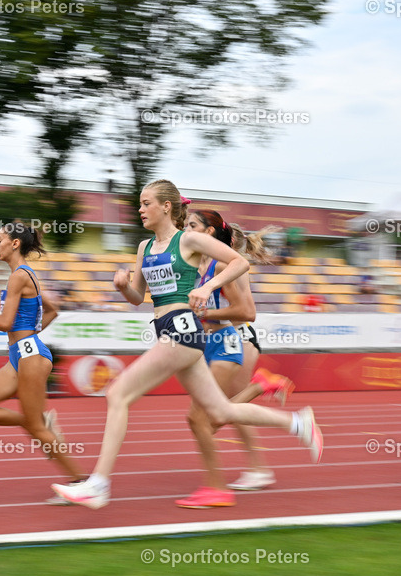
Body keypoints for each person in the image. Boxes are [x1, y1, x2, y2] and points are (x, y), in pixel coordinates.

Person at [51, 180, 322, 509]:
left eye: (146, 203)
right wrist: (123, 287)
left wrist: (209, 289)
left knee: (117, 394)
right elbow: (139, 298)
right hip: (166, 327)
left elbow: (240, 263)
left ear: (166, 207)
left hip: (183, 330)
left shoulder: (189, 240)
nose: (140, 209)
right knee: (220, 410)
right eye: (139, 204)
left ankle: (98, 484)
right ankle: (298, 423)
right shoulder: (144, 248)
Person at [177, 213, 297, 506]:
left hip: (240, 338)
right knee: (226, 411)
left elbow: (245, 311)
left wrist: (203, 315)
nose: (185, 232)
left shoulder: (228, 267)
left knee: (221, 413)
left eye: (191, 227)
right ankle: (258, 468)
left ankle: (261, 389)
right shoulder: (203, 266)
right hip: (226, 339)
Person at [0, 221, 85, 503]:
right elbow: (54, 309)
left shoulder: (19, 275)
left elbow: (5, 322)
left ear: (15, 243)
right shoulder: (25, 275)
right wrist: (30, 333)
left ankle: (81, 484)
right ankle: (36, 420)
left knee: (36, 430)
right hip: (20, 354)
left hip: (29, 356)